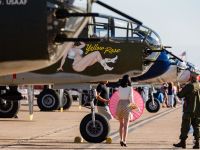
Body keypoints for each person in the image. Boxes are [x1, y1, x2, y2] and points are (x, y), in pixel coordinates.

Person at [173, 74, 200, 149]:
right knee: (197, 126)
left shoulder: (189, 86)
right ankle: (197, 143)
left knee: (185, 127)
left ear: (191, 78)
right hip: (198, 110)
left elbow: (180, 95)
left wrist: (179, 87)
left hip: (189, 110)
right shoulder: (199, 85)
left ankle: (182, 142)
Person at [116, 75, 136, 147]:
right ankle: (124, 141)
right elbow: (131, 99)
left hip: (120, 104)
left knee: (121, 124)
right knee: (126, 125)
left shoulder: (119, 87)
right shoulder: (130, 88)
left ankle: (121, 139)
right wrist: (134, 108)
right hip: (127, 104)